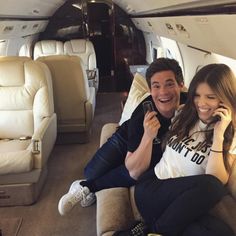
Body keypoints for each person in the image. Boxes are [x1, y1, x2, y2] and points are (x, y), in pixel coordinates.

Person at [58, 57, 186, 216]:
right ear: (150, 90)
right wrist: (147, 136)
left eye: (169, 84)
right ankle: (85, 183)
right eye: (156, 86)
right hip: (125, 139)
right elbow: (130, 163)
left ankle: (87, 187)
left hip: (157, 149)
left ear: (181, 85)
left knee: (142, 168)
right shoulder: (143, 112)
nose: (163, 92)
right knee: (91, 172)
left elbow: (135, 171)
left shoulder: (192, 107)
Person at [130, 63, 236, 236]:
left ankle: (147, 231)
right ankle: (155, 230)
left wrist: (218, 135)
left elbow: (216, 177)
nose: (201, 103)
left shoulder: (230, 134)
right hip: (152, 189)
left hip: (181, 204)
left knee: (221, 232)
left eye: (210, 97)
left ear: (224, 99)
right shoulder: (183, 114)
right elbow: (212, 184)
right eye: (197, 95)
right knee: (212, 186)